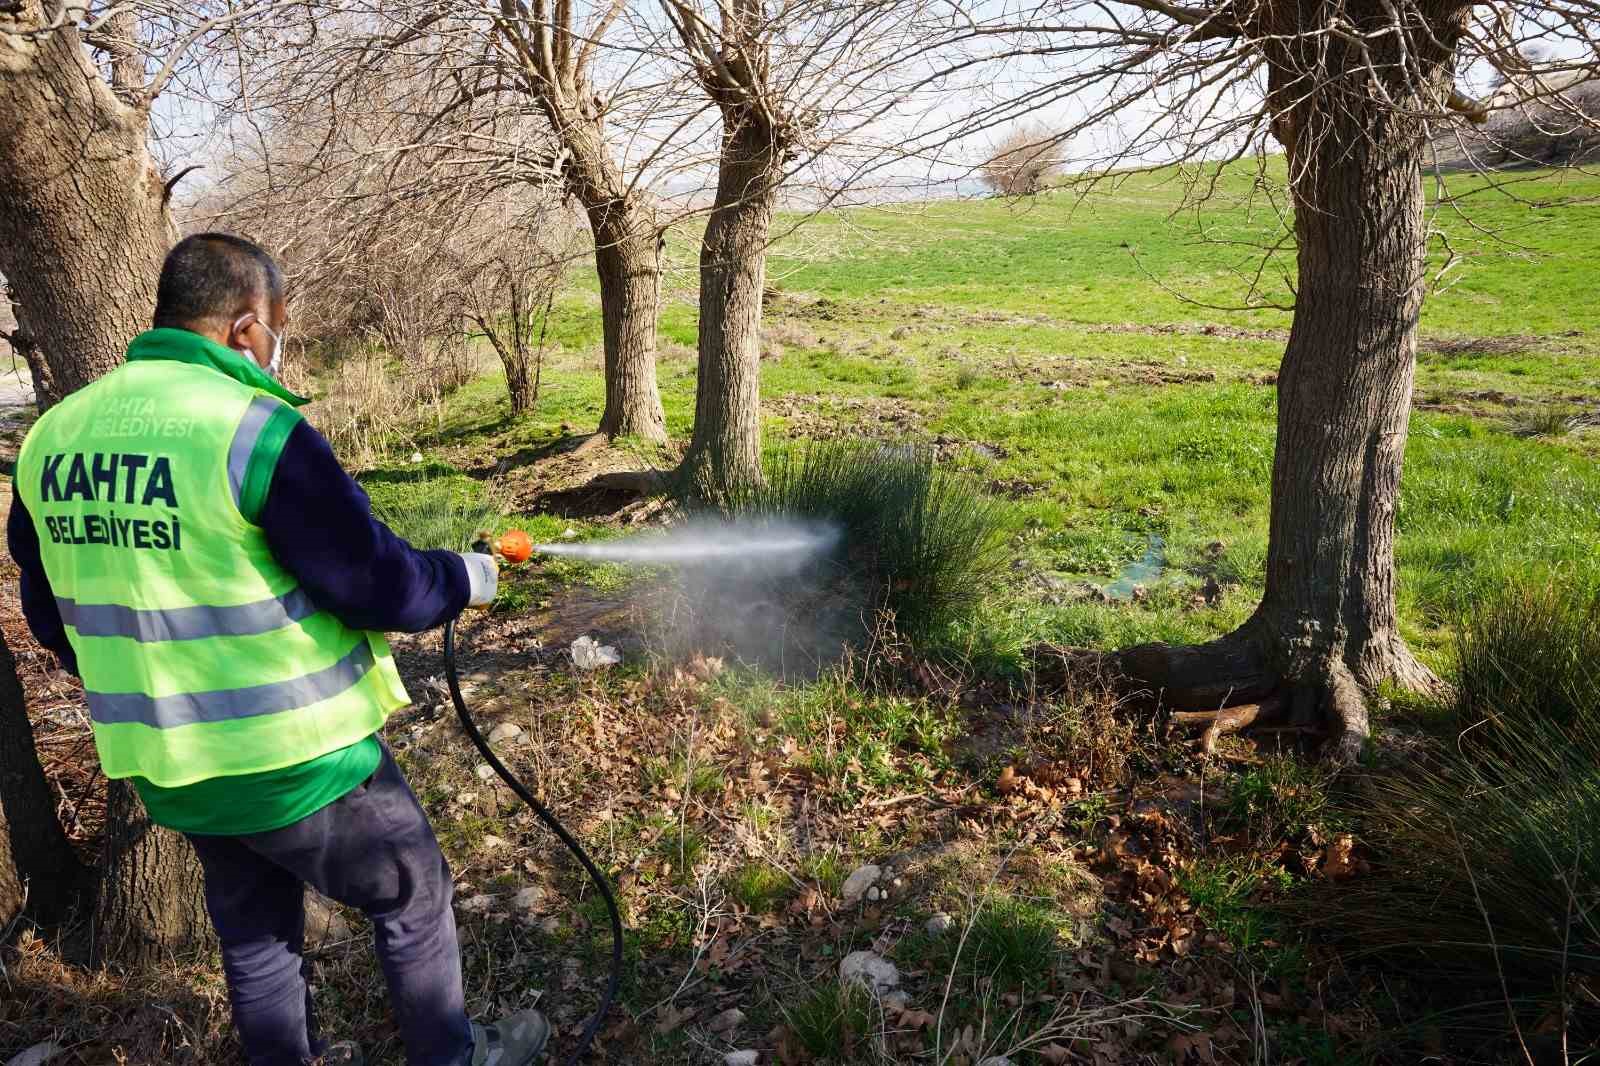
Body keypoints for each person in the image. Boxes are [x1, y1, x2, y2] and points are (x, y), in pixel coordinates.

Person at [7, 234, 548, 1066]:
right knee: (413, 893)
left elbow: (51, 616)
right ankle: (457, 1057)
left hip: (169, 761)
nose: (276, 344)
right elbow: (375, 584)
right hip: (298, 758)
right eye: (278, 325)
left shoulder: (53, 439)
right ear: (244, 326)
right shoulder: (254, 430)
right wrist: (461, 577)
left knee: (257, 932)